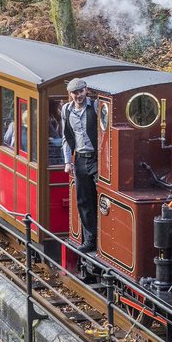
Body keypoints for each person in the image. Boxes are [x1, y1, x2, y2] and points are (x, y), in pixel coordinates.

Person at [61, 77, 98, 252]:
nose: (78, 96)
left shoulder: (96, 107)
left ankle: (102, 239)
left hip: (97, 158)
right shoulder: (66, 110)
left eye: (80, 91)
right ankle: (90, 239)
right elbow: (66, 137)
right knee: (83, 200)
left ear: (86, 91)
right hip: (80, 159)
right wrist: (68, 161)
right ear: (71, 94)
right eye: (75, 93)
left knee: (101, 198)